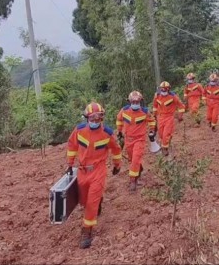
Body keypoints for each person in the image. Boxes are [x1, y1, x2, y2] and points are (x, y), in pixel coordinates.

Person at [66, 102, 122, 249]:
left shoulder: (107, 133)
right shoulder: (79, 131)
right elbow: (72, 145)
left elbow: (116, 150)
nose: (95, 121)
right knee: (83, 200)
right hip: (83, 171)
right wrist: (70, 163)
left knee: (91, 202)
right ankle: (98, 201)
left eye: (98, 119)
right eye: (92, 118)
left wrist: (117, 165)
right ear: (86, 118)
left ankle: (87, 231)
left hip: (98, 170)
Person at [116, 91, 157, 192]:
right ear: (129, 102)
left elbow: (152, 121)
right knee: (132, 159)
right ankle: (139, 169)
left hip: (139, 139)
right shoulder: (124, 111)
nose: (135, 104)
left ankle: (133, 180)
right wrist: (119, 131)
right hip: (128, 139)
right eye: (133, 102)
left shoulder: (144, 111)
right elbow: (119, 119)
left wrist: (152, 130)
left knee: (135, 159)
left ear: (140, 101)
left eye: (137, 102)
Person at [152, 81, 185, 156]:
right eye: (162, 89)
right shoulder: (157, 96)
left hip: (169, 117)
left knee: (166, 133)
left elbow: (181, 106)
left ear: (168, 89)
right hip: (160, 117)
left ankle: (165, 148)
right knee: (160, 134)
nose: (163, 91)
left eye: (165, 89)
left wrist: (180, 115)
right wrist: (154, 115)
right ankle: (166, 141)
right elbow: (155, 106)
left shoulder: (173, 96)